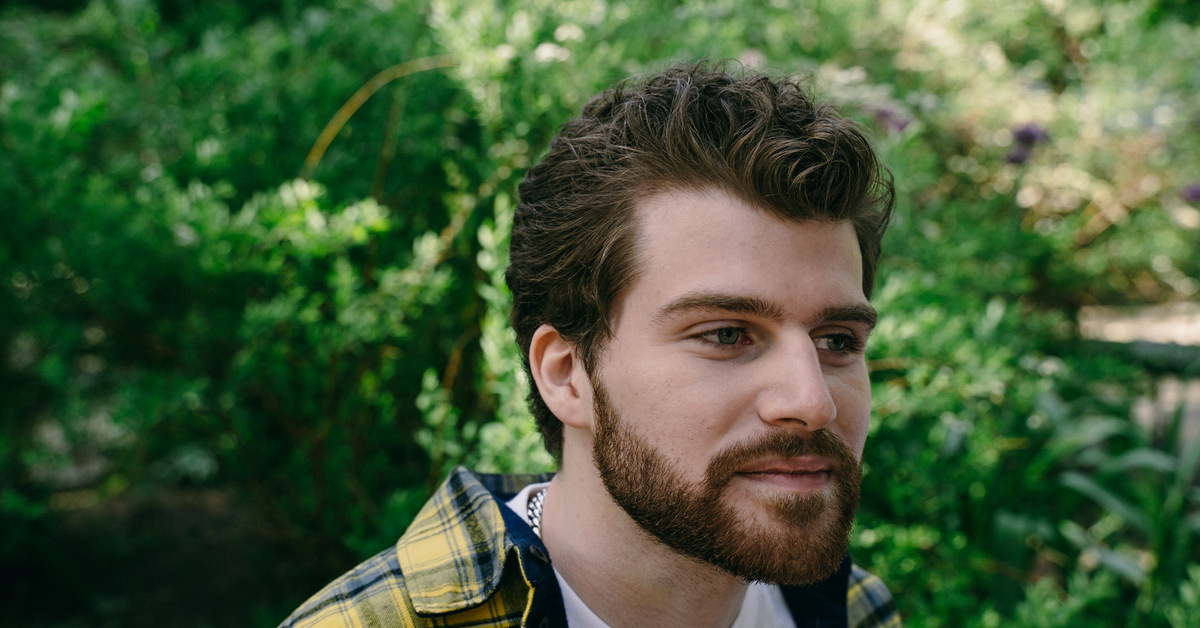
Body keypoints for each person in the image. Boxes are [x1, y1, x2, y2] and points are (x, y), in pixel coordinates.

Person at [281, 61, 900, 628]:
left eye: (837, 340)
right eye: (726, 335)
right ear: (566, 373)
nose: (811, 401)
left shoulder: (855, 610)